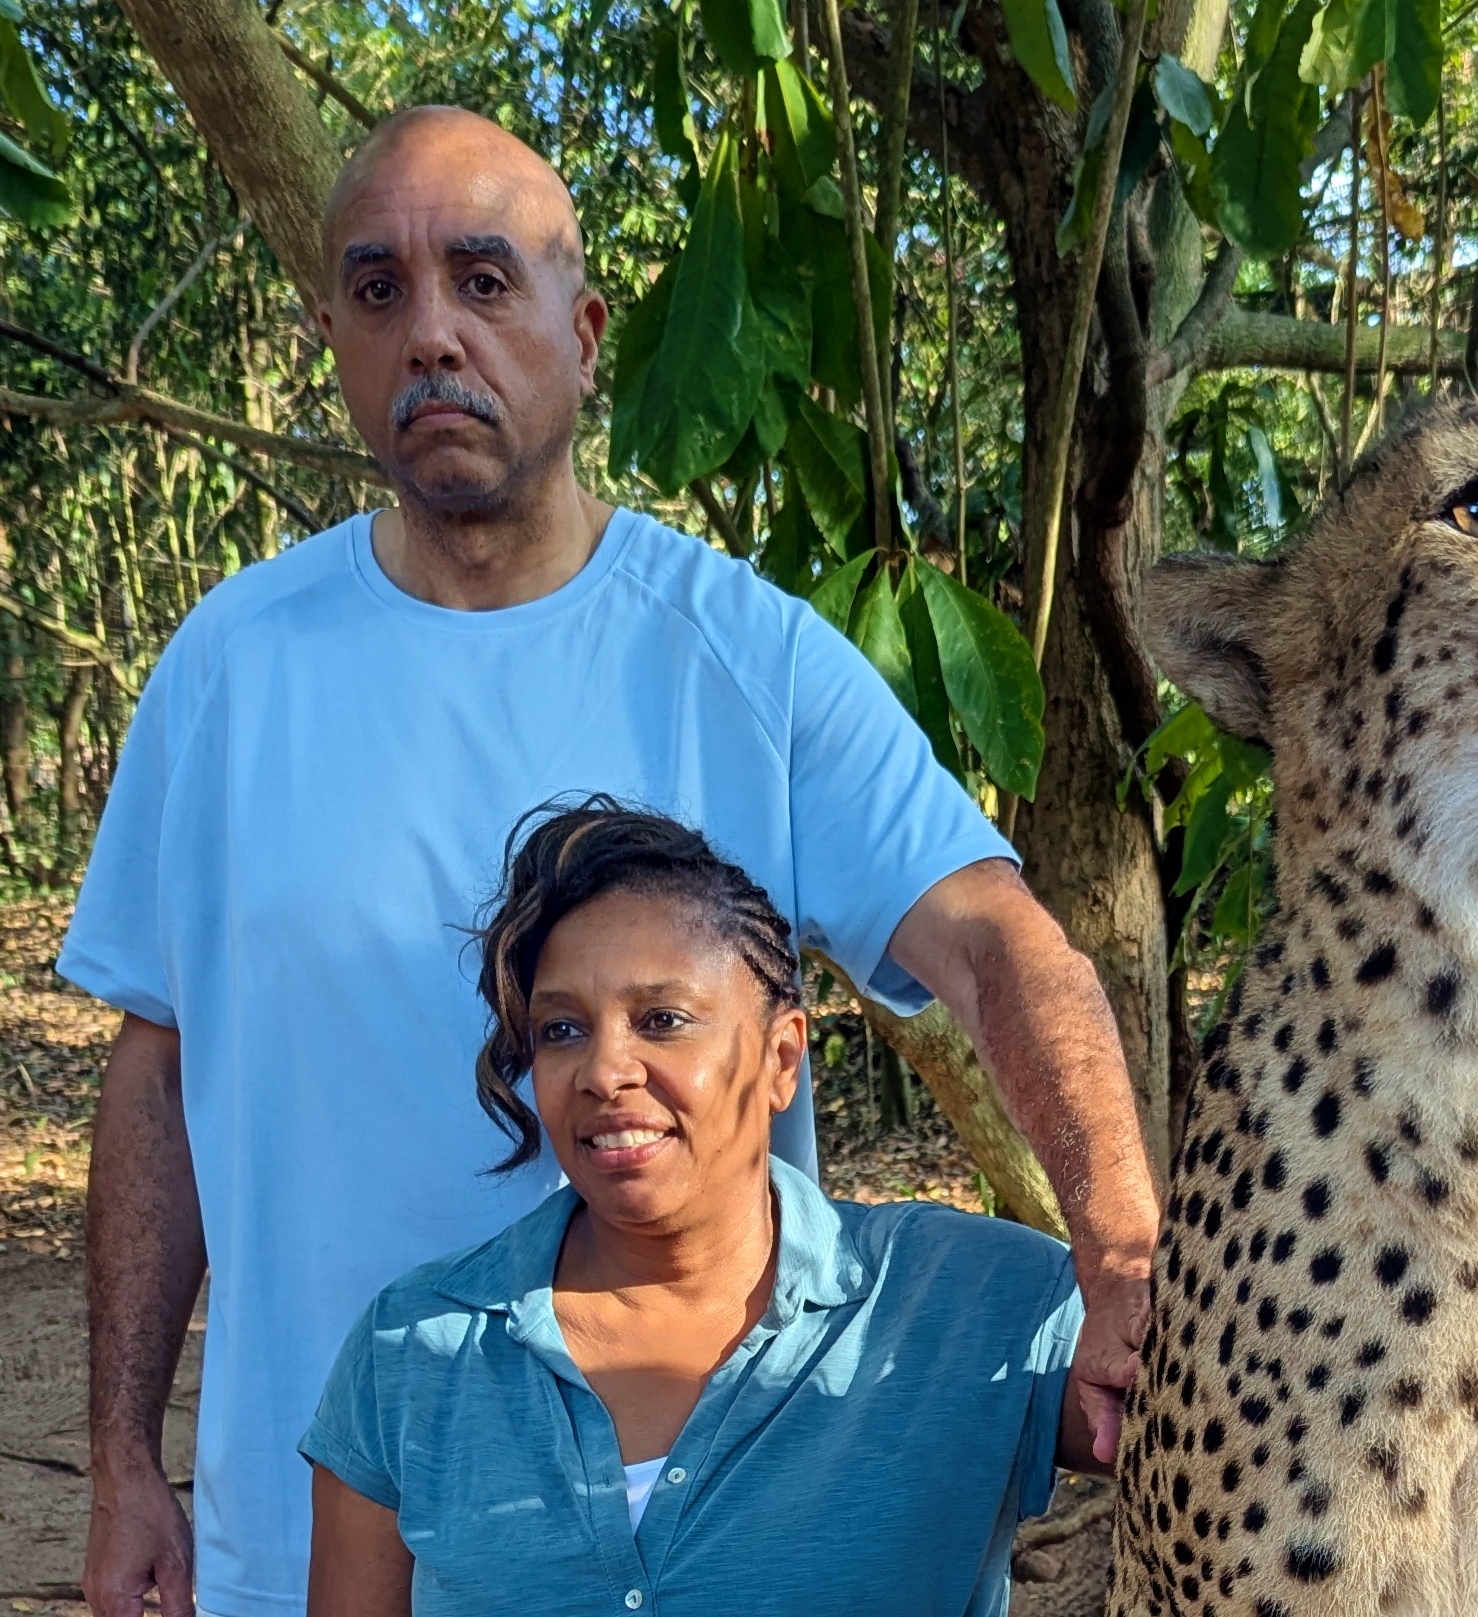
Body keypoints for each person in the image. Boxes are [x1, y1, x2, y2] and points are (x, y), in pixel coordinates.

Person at [67, 105, 1157, 1617]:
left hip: (702, 1536)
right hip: (309, 1528)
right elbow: (158, 1067)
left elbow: (991, 939)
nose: (431, 332)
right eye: (378, 290)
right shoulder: (227, 670)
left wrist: (1119, 1248)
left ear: (584, 339)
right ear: (332, 340)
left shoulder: (748, 658)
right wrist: (122, 1456)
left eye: (483, 280)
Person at [304, 801, 1099, 1616]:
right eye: (562, 1029)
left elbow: (1185, 1432)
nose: (604, 1070)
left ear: (781, 1057)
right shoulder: (415, 1349)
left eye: (662, 1020)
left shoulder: (967, 1300)